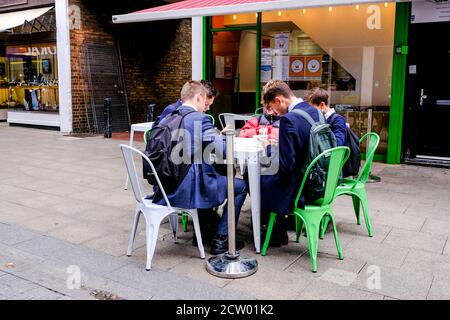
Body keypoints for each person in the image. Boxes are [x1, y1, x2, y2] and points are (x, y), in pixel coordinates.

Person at [152, 81, 247, 255]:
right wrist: (224, 137)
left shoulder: (167, 116)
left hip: (164, 186)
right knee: (239, 186)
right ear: (198, 97)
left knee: (211, 174)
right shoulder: (199, 119)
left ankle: (204, 231)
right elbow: (223, 151)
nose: (206, 108)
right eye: (204, 103)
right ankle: (221, 238)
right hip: (186, 188)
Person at [260, 80, 322, 247]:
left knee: (257, 179)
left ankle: (273, 229)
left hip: (301, 186)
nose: (275, 112)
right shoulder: (315, 112)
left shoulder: (289, 120)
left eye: (273, 107)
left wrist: (269, 152)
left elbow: (286, 166)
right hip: (319, 180)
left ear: (279, 100)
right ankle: (276, 225)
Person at [153, 80, 218, 127]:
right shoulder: (172, 110)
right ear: (198, 97)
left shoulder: (196, 114)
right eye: (205, 104)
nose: (207, 108)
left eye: (210, 105)